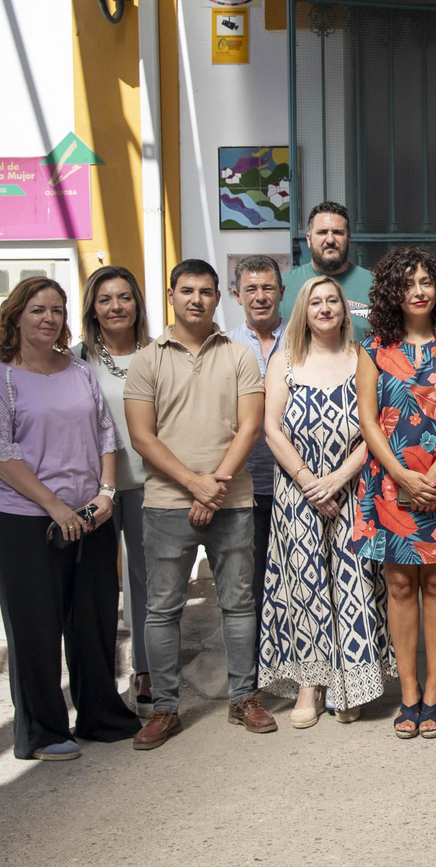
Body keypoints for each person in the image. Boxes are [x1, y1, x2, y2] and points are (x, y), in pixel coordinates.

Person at [0, 276, 139, 762]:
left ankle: (101, 716)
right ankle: (41, 732)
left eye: (57, 311)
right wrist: (55, 507)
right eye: (38, 310)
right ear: (16, 316)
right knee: (35, 626)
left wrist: (105, 494)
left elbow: (105, 433)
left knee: (94, 620)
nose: (49, 319)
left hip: (91, 515)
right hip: (23, 521)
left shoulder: (78, 370)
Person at [125, 259, 271, 749]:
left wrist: (217, 484)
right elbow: (142, 437)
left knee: (238, 603)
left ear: (218, 298)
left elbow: (250, 427)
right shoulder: (147, 359)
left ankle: (243, 698)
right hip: (167, 503)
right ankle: (165, 709)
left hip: (232, 501)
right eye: (186, 290)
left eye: (206, 292)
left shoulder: (239, 355)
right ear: (171, 296)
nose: (196, 299)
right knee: (163, 609)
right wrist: (195, 483)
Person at [354, 248, 436, 739]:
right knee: (399, 586)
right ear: (393, 291)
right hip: (391, 483)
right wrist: (402, 476)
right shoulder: (371, 349)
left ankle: (435, 693)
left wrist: (433, 474)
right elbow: (368, 421)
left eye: (426, 282)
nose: (419, 290)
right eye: (408, 283)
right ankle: (408, 695)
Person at [258, 275, 389, 728]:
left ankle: (353, 685)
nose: (326, 307)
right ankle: (310, 685)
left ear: (344, 309)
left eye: (333, 300)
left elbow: (376, 427)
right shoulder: (285, 361)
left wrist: (336, 480)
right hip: (297, 494)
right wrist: (309, 481)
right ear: (303, 310)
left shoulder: (363, 359)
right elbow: (272, 428)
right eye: (316, 301)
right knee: (307, 584)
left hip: (353, 490)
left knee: (354, 586)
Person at [74, 265, 153, 716]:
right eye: (105, 299)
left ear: (137, 304)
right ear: (93, 307)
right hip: (95, 490)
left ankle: (146, 671)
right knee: (100, 585)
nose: (116, 306)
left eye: (124, 297)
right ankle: (100, 681)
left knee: (147, 581)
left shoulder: (157, 352)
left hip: (148, 484)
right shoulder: (76, 358)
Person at [230, 255, 284, 661]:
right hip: (245, 485)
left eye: (268, 288)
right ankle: (250, 673)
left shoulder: (303, 340)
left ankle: (298, 667)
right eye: (251, 289)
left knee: (295, 581)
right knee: (247, 583)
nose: (260, 296)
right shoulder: (226, 347)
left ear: (282, 292)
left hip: (298, 482)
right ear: (236, 295)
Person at [282, 201, 375, 339]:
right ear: (309, 239)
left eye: (338, 232)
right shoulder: (284, 287)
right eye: (322, 232)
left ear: (348, 238)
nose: (330, 240)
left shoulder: (375, 285)